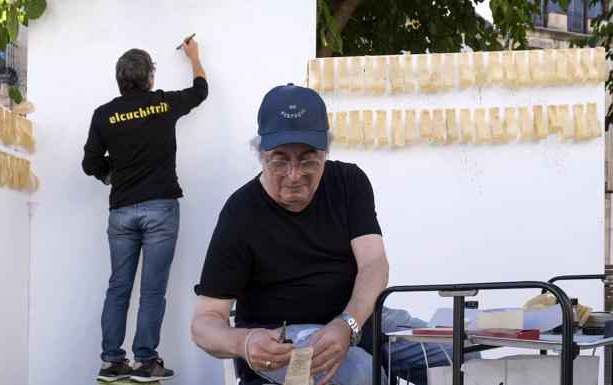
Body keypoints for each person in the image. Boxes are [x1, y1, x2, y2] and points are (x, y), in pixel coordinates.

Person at [191, 83, 454, 385]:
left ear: (326, 152)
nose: (294, 174)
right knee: (362, 374)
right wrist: (244, 342)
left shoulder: (348, 182)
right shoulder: (240, 214)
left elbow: (374, 263)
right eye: (280, 160)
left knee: (459, 354)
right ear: (261, 155)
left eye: (308, 159)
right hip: (283, 337)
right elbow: (204, 322)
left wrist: (347, 323)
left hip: (357, 317)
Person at [82, 35, 207, 383]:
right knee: (152, 290)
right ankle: (145, 362)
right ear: (151, 78)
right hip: (161, 210)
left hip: (121, 212)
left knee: (118, 287)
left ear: (120, 81)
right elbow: (200, 90)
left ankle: (111, 362)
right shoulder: (164, 103)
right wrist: (194, 56)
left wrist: (113, 174)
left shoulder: (104, 115)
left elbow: (89, 162)